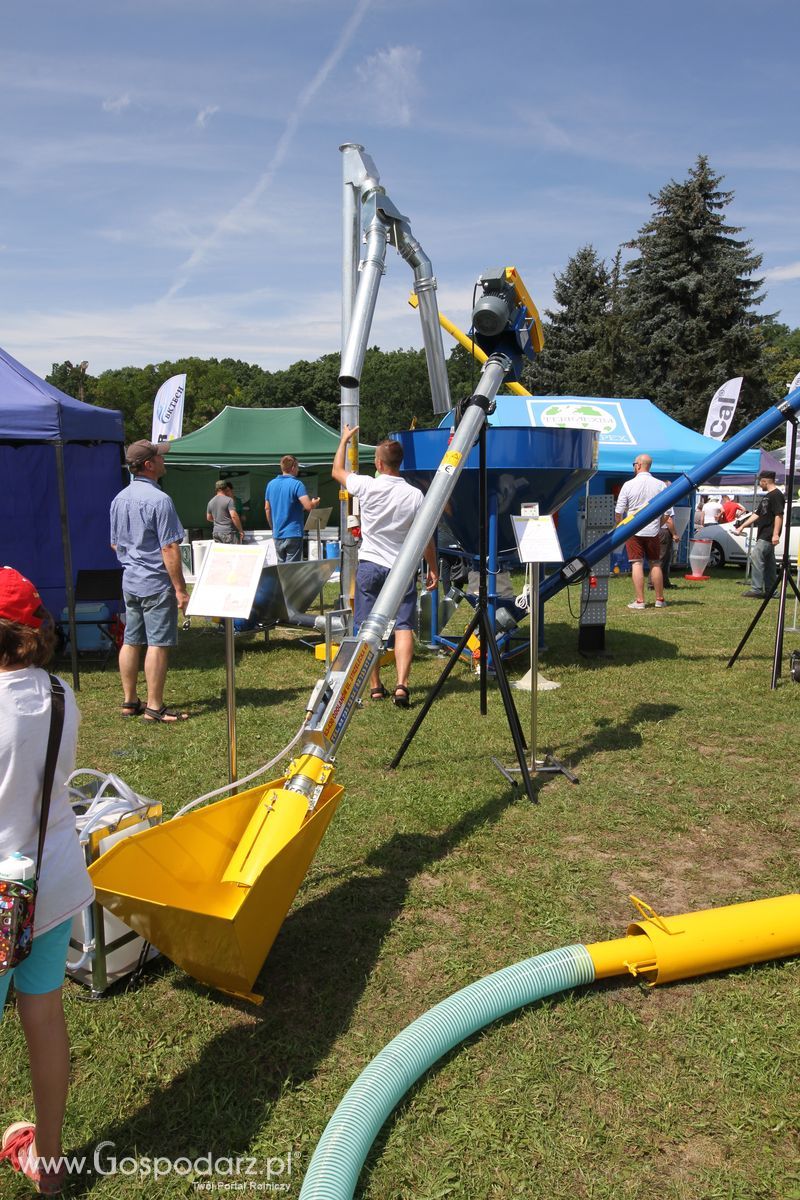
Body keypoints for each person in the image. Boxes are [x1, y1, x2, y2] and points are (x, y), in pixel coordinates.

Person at [0, 568, 94, 1196]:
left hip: (5, 888)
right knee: (46, 1018)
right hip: (53, 878)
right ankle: (50, 1167)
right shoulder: (60, 693)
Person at [332, 425, 438, 706]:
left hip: (370, 566)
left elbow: (337, 472)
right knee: (403, 626)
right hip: (400, 569)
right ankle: (402, 685)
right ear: (399, 463)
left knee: (367, 627)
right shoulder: (415, 495)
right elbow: (424, 536)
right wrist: (433, 567)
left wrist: (344, 440)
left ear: (379, 464)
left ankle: (376, 686)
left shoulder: (367, 485)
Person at [110, 440, 190, 723]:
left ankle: (130, 701)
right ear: (148, 465)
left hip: (130, 580)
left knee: (131, 640)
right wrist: (180, 589)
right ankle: (154, 706)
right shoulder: (160, 500)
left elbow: (114, 544)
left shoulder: (118, 499)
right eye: (160, 458)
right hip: (155, 582)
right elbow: (169, 548)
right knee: (158, 643)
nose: (163, 461)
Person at [615, 454, 674, 610]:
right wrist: (658, 523)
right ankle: (660, 599)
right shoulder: (661, 485)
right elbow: (668, 512)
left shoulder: (628, 484)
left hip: (633, 529)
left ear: (639, 465)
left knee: (637, 563)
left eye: (634, 463)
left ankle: (640, 601)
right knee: (655, 563)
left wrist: (621, 527)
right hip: (653, 529)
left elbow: (619, 511)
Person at [737, 471, 785, 598]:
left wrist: (775, 534)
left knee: (756, 556)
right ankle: (772, 591)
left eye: (760, 481)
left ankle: (756, 589)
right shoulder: (767, 496)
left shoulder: (776, 495)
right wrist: (742, 526)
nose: (759, 484)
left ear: (765, 481)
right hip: (763, 533)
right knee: (769, 563)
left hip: (768, 534)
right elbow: (757, 514)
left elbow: (779, 515)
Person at [264, 456, 320, 563]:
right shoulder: (297, 484)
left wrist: (273, 526)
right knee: (291, 569)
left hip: (277, 533)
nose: (298, 470)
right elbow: (308, 507)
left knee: (281, 566)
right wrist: (314, 503)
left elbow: (267, 508)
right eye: (298, 467)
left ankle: (281, 581)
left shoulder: (270, 484)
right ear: (293, 467)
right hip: (293, 533)